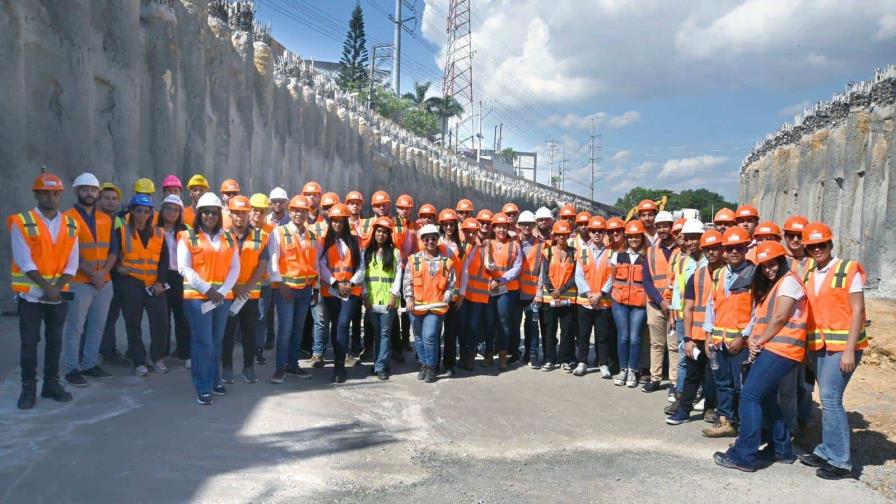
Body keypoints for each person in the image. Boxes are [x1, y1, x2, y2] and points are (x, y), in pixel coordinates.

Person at [714, 241, 806, 472]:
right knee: (764, 397)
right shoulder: (777, 285)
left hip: (783, 349)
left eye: (772, 265)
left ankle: (744, 455)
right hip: (776, 348)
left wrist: (759, 340)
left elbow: (779, 319)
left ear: (782, 262)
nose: (768, 270)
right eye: (764, 266)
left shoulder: (789, 283)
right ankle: (781, 449)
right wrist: (758, 339)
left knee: (749, 396)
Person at [797, 222, 868, 480]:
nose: (817, 249)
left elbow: (858, 310)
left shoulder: (849, 269)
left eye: (821, 244)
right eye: (812, 246)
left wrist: (850, 350)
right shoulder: (808, 273)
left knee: (830, 399)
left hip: (842, 348)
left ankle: (840, 461)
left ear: (830, 244)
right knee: (828, 401)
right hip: (818, 346)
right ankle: (826, 449)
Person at [10, 172, 79, 409]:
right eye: (46, 193)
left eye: (55, 193)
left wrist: (57, 289)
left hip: (58, 295)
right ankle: (28, 388)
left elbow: (72, 262)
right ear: (37, 194)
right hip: (31, 296)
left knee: (54, 341)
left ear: (60, 195)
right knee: (30, 342)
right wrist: (48, 287)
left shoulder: (70, 224)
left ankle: (51, 384)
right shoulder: (22, 222)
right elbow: (24, 260)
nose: (51, 197)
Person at [178, 192, 240, 405]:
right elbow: (184, 267)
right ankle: (203, 387)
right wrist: (208, 290)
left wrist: (221, 292)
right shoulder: (187, 236)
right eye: (206, 212)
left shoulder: (229, 238)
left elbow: (235, 268)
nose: (210, 216)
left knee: (216, 341)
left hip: (222, 298)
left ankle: (215, 380)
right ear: (199, 213)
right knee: (203, 342)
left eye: (214, 212)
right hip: (197, 298)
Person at [62, 173, 117, 387]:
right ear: (77, 191)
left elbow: (113, 250)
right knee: (75, 326)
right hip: (79, 280)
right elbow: (68, 252)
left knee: (97, 325)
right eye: (85, 189)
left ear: (98, 193)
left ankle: (90, 364)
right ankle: (71, 368)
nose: (89, 193)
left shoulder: (105, 218)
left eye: (93, 190)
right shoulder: (68, 218)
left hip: (104, 282)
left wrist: (103, 273)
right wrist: (92, 274)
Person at [666, 229, 724, 425]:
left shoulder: (728, 275)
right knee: (692, 374)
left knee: (712, 376)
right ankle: (684, 410)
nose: (711, 253)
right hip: (697, 335)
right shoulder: (697, 276)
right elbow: (688, 308)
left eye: (716, 248)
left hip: (719, 336)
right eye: (708, 249)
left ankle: (710, 409)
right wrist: (688, 339)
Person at [702, 226, 755, 438]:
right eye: (731, 248)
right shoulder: (718, 274)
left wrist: (743, 335)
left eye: (739, 248)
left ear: (746, 248)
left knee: (742, 387)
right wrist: (708, 335)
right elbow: (711, 306)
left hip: (740, 344)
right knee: (722, 383)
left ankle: (744, 425)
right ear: (725, 250)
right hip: (719, 341)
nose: (734, 252)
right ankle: (726, 422)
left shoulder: (754, 273)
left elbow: (757, 311)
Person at [116, 194, 170, 377]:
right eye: (138, 210)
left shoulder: (159, 233)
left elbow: (164, 260)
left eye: (146, 211)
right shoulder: (122, 231)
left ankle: (157, 357)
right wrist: (117, 267)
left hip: (154, 284)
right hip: (131, 282)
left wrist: (160, 282)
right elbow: (113, 254)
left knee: (161, 322)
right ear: (131, 211)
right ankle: (138, 361)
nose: (142, 214)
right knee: (133, 323)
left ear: (151, 213)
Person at [268, 195, 318, 384]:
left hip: (305, 289)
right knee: (285, 329)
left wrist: (315, 287)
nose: (299, 213)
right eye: (296, 210)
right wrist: (280, 284)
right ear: (290, 212)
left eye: (303, 211)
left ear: (308, 213)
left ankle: (293, 365)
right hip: (286, 290)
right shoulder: (278, 232)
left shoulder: (312, 235)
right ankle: (280, 368)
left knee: (298, 329)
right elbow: (273, 261)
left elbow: (313, 264)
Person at [221, 195, 269, 385]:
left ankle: (248, 368)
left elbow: (262, 265)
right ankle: (227, 368)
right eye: (236, 213)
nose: (240, 216)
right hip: (229, 293)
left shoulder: (260, 236)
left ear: (249, 214)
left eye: (243, 213)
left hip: (250, 294)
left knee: (249, 332)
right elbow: (221, 265)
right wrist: (235, 286)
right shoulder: (223, 236)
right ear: (230, 214)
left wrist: (246, 288)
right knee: (228, 332)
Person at [405, 224, 456, 383]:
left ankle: (432, 366)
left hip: (436, 307)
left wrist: (446, 297)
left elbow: (451, 285)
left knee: (429, 337)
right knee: (419, 337)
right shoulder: (413, 260)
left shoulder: (447, 262)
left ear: (437, 239)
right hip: (417, 306)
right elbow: (408, 281)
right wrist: (409, 298)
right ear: (422, 240)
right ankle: (424, 365)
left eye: (433, 238)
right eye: (426, 239)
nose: (430, 241)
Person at [319, 203, 364, 383]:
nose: (337, 224)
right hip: (332, 290)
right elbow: (320, 265)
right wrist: (335, 283)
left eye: (340, 221)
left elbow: (361, 266)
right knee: (336, 325)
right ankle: (338, 365)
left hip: (351, 289)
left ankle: (340, 364)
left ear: (346, 222)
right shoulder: (324, 241)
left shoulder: (355, 241)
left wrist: (351, 283)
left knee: (343, 324)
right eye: (334, 221)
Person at [664, 219, 706, 408]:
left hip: (704, 318)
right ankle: (682, 396)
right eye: (687, 239)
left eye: (693, 238)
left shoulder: (710, 261)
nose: (689, 242)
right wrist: (673, 313)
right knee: (684, 356)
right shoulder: (682, 261)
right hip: (684, 316)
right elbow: (676, 289)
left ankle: (705, 397)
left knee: (705, 358)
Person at [606, 220, 648, 388]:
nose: (634, 240)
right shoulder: (618, 255)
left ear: (641, 237)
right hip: (620, 302)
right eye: (631, 237)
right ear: (627, 238)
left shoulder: (647, 256)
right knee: (623, 337)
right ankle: (623, 369)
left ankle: (633, 370)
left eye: (637, 236)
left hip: (639, 303)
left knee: (635, 337)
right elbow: (614, 279)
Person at [362, 217, 402, 380]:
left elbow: (399, 275)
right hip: (372, 300)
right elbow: (363, 276)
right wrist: (365, 295)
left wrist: (394, 294)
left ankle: (381, 366)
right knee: (378, 333)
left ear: (389, 235)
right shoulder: (367, 252)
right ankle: (379, 364)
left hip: (388, 301)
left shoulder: (394, 252)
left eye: (385, 232)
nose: (381, 234)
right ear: (374, 232)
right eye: (379, 231)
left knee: (385, 333)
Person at [536, 220, 578, 372]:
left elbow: (575, 276)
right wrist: (553, 290)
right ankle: (549, 359)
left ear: (568, 235)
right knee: (549, 331)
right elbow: (545, 274)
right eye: (559, 234)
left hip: (567, 298)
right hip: (550, 298)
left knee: (567, 331)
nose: (562, 237)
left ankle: (565, 359)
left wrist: (561, 291)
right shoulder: (547, 252)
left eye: (564, 234)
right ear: (555, 235)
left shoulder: (574, 253)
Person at [574, 216, 613, 378]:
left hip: (603, 301)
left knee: (602, 335)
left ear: (604, 233)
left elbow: (613, 276)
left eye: (600, 231)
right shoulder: (582, 252)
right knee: (583, 334)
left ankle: (603, 364)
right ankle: (582, 362)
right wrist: (589, 294)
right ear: (589, 233)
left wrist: (600, 293)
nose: (597, 234)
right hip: (585, 301)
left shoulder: (612, 253)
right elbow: (579, 275)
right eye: (593, 231)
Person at [643, 210, 677, 395]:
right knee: (656, 344)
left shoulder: (681, 250)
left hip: (675, 306)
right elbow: (646, 280)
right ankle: (655, 378)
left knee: (673, 346)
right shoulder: (651, 252)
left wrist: (669, 303)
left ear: (671, 227)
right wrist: (660, 300)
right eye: (659, 227)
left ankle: (674, 382)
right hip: (656, 304)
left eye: (665, 226)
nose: (662, 230)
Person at [484, 212, 522, 370]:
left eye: (504, 227)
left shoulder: (514, 245)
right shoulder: (486, 243)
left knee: (503, 322)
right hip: (487, 289)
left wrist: (500, 280)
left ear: (508, 228)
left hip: (504, 289)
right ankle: (488, 353)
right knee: (489, 322)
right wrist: (489, 281)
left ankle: (502, 354)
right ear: (494, 228)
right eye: (498, 226)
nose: (501, 230)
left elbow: (517, 267)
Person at [158, 194, 191, 367]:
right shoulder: (154, 229)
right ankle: (161, 355)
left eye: (176, 209)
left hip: (181, 277)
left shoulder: (186, 231)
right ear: (162, 210)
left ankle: (186, 354)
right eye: (168, 208)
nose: (171, 212)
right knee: (162, 319)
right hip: (161, 278)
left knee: (183, 317)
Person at [98, 183, 129, 365]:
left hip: (115, 275)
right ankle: (94, 353)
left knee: (111, 315)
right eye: (107, 198)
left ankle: (109, 350)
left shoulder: (119, 221)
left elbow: (121, 248)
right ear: (99, 199)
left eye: (114, 199)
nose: (110, 202)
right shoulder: (94, 219)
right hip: (96, 274)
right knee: (94, 317)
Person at [438, 208, 464, 376]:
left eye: (452, 224)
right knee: (433, 332)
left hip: (453, 296)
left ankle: (449, 364)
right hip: (435, 295)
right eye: (446, 224)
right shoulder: (434, 242)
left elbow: (465, 272)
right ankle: (432, 363)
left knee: (450, 332)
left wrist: (461, 294)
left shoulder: (460, 247)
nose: (449, 227)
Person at [459, 217, 487, 370]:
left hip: (477, 294)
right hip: (462, 294)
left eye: (473, 232)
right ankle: (463, 354)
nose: (470, 235)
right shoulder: (459, 247)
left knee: (473, 325)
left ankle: (471, 354)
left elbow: (491, 266)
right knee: (462, 325)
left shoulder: (484, 247)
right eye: (467, 232)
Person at [517, 210, 544, 368]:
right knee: (513, 325)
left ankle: (532, 353)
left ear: (534, 225)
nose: (526, 227)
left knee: (532, 325)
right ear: (519, 226)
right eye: (523, 224)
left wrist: (539, 293)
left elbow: (542, 271)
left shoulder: (540, 245)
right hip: (514, 292)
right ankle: (515, 352)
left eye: (529, 224)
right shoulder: (513, 242)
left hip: (531, 293)